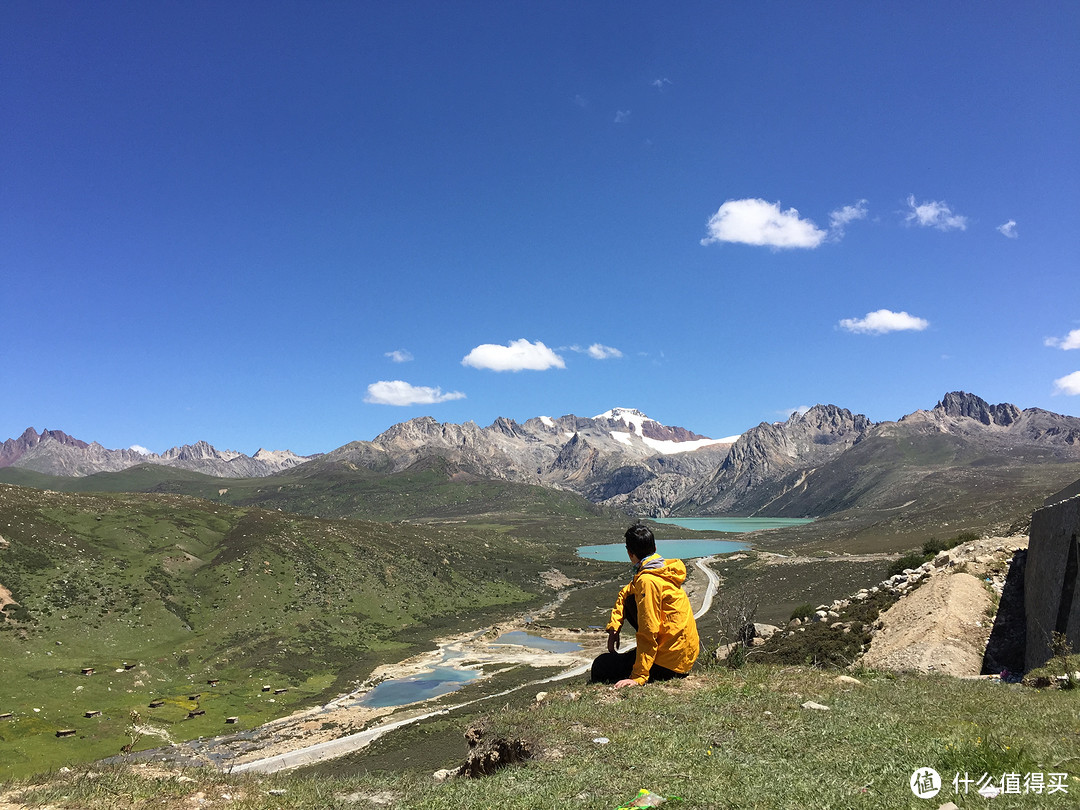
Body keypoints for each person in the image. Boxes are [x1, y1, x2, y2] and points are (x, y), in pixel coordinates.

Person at [591, 523, 699, 687]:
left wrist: (638, 677)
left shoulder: (647, 581)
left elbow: (648, 630)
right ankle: (649, 660)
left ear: (629, 553)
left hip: (669, 664)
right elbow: (625, 593)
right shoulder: (662, 569)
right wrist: (615, 626)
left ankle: (647, 667)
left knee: (601, 665)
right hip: (682, 656)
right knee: (630, 599)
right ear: (654, 547)